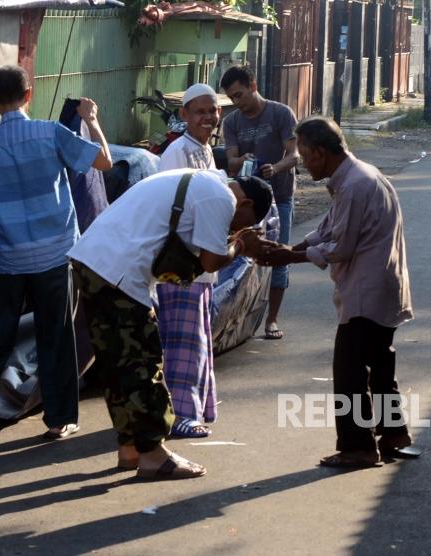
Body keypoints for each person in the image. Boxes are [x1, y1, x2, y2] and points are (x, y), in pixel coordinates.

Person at [68, 170, 273, 480]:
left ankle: (130, 448)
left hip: (94, 260)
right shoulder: (222, 198)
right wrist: (242, 245)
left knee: (116, 362)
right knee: (143, 362)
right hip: (118, 273)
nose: (236, 227)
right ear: (244, 202)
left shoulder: (202, 181)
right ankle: (152, 453)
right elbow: (211, 262)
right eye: (242, 221)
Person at [0, 65, 112, 438]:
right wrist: (91, 119)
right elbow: (103, 161)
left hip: (8, 258)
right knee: (54, 336)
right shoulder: (51, 133)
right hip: (55, 255)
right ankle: (59, 421)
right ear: (29, 95)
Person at [257, 117, 413, 469]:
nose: (303, 164)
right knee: (380, 367)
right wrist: (291, 247)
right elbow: (329, 227)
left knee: (350, 373)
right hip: (379, 288)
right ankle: (394, 434)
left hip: (366, 293)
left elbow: (340, 247)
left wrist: (289, 256)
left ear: (320, 153)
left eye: (305, 157)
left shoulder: (356, 185)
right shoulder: (357, 177)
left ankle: (358, 447)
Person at [156, 83, 222, 437]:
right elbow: (170, 209)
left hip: (200, 263)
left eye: (212, 111)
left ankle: (194, 410)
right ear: (184, 115)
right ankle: (180, 416)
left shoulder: (206, 150)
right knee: (182, 343)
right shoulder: (177, 151)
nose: (208, 118)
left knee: (197, 341)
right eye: (200, 112)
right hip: (181, 265)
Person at [221, 65, 299, 340]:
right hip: (248, 206)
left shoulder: (280, 113)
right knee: (241, 259)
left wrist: (275, 169)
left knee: (278, 257)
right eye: (231, 98)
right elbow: (230, 160)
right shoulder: (231, 122)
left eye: (239, 94)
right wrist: (239, 162)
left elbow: (294, 155)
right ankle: (237, 319)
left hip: (281, 197)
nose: (236, 102)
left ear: (253, 85)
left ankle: (272, 320)